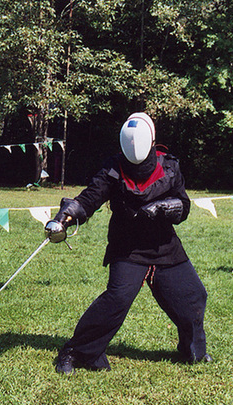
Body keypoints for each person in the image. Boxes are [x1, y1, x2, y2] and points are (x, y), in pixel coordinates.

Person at [45, 112, 210, 374]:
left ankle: (192, 350)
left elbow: (184, 205)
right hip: (128, 248)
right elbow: (90, 198)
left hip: (164, 246)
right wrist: (64, 217)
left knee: (193, 296)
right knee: (117, 299)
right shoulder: (113, 169)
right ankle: (75, 351)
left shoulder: (170, 167)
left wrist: (166, 207)